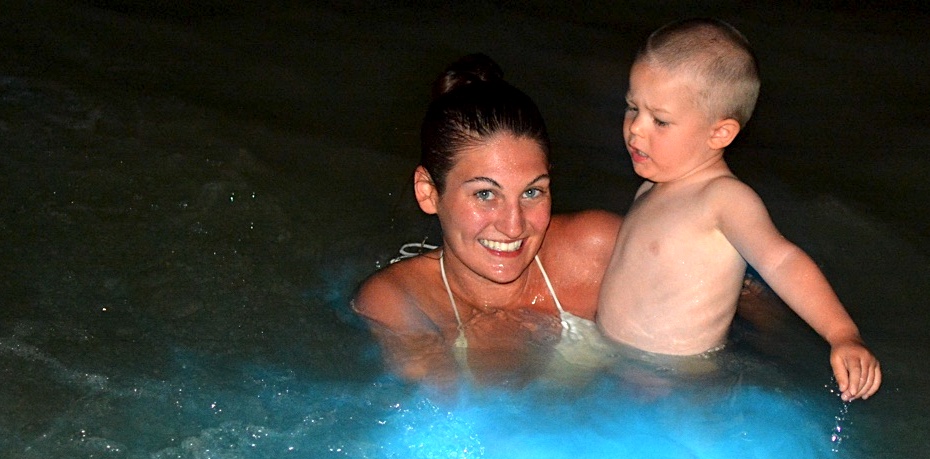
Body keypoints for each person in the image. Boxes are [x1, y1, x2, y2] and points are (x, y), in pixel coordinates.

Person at [596, 18, 882, 401]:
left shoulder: (724, 198)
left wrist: (842, 334)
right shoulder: (650, 187)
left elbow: (782, 262)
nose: (635, 129)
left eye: (660, 120)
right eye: (633, 108)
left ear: (720, 134)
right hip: (619, 363)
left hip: (678, 382)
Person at [352, 54, 621, 386]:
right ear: (428, 193)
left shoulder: (596, 251)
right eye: (484, 194)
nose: (514, 226)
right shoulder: (398, 304)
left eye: (532, 192)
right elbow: (450, 423)